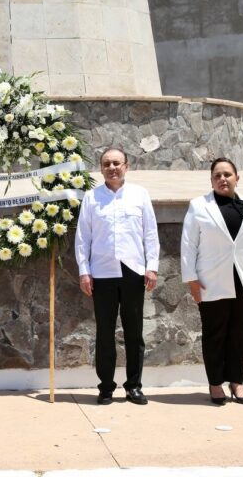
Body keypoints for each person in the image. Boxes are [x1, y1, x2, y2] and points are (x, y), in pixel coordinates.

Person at [180, 157, 243, 405]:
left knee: (240, 333)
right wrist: (192, 280)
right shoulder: (199, 205)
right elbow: (188, 245)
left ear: (237, 178)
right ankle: (215, 384)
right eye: (217, 175)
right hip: (212, 280)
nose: (222, 179)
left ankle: (237, 382)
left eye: (227, 174)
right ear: (211, 180)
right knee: (214, 333)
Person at [74, 147, 159, 405]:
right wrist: (84, 272)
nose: (112, 167)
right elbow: (82, 239)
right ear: (101, 169)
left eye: (117, 163)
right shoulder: (91, 198)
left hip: (132, 271)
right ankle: (106, 387)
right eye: (107, 164)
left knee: (134, 332)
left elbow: (150, 234)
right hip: (102, 273)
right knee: (105, 332)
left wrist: (151, 266)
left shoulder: (139, 195)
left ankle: (133, 386)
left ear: (127, 166)